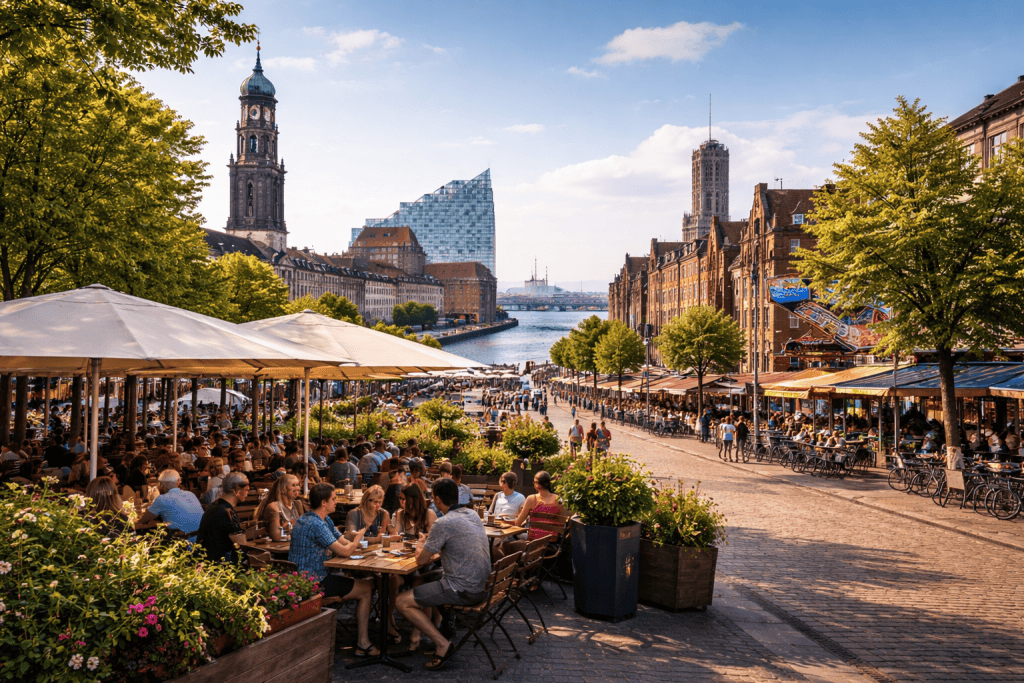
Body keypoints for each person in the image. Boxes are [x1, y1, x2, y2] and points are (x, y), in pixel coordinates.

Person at [395, 478, 493, 670]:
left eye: (433, 499)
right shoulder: (472, 514)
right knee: (421, 579)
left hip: (462, 590)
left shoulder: (443, 522)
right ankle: (439, 628)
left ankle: (442, 643)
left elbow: (421, 560)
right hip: (481, 585)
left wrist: (422, 544)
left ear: (438, 500)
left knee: (401, 601)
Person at [288, 483, 377, 657]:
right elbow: (345, 551)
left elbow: (343, 541)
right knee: (366, 588)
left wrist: (353, 538)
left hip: (303, 578)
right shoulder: (316, 524)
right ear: (323, 502)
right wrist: (358, 538)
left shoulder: (316, 519)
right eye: (334, 499)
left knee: (363, 582)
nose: (337, 502)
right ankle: (363, 643)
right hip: (313, 583)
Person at [495, 471, 566, 559]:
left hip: (533, 545)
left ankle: (515, 570)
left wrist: (502, 521)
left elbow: (517, 523)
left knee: (504, 545)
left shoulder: (532, 499)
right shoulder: (559, 500)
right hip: (552, 545)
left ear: (537, 485)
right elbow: (563, 522)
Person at [196, 471, 249, 563]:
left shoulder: (216, 505)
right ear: (236, 489)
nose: (248, 490)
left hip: (206, 558)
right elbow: (241, 544)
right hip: (219, 564)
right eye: (246, 488)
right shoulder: (226, 512)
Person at [137, 470, 204, 538]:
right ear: (178, 482)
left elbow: (143, 520)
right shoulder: (191, 494)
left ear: (161, 485)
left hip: (183, 543)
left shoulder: (161, 499)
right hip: (201, 539)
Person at [254, 473, 307, 541]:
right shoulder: (274, 507)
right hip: (276, 548)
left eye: (298, 485)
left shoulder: (298, 504)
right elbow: (276, 536)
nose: (297, 488)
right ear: (283, 489)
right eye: (293, 485)